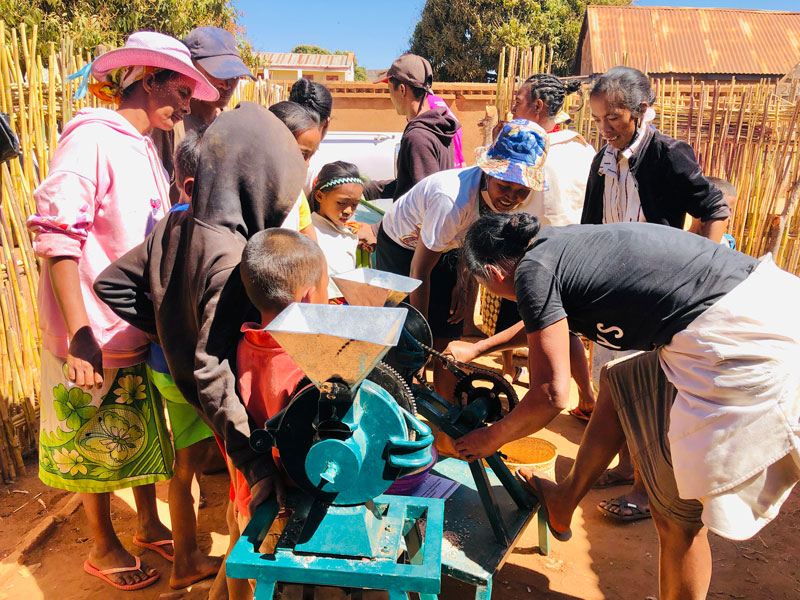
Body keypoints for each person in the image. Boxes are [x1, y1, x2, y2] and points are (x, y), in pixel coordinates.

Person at [455, 212, 800, 599]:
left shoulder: (532, 273)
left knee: (676, 515)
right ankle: (564, 502)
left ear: (492, 274)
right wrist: (480, 347)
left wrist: (492, 437)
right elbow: (548, 320)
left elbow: (551, 395)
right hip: (771, 304)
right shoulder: (552, 247)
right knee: (621, 381)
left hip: (742, 344)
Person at [28, 31, 218, 591]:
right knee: (91, 443)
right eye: (181, 88)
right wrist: (80, 334)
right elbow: (59, 236)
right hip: (92, 330)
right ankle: (102, 543)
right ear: (145, 79)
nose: (188, 103)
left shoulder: (145, 147)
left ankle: (148, 526)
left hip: (133, 324)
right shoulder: (90, 140)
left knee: (134, 432)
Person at [93, 102, 307, 554]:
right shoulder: (233, 256)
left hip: (187, 384)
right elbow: (211, 370)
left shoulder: (178, 223)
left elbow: (112, 283)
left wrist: (170, 331)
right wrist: (254, 462)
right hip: (226, 409)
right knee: (245, 511)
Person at [375, 118, 547, 383]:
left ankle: (445, 397)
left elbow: (470, 238)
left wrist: (461, 282)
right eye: (504, 186)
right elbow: (419, 270)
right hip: (403, 246)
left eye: (521, 191)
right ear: (489, 173)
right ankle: (405, 384)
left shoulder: (496, 200)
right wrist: (422, 336)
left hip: (447, 244)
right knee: (407, 326)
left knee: (450, 319)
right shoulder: (451, 200)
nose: (511, 197)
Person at [462, 74, 596, 402]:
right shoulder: (583, 148)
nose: (513, 106)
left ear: (536, 105)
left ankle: (523, 382)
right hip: (572, 254)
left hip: (524, 254)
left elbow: (503, 205)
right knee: (565, 327)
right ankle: (587, 396)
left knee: (526, 319)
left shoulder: (536, 153)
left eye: (518, 100)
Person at [225, 228, 328, 599]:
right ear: (309, 295)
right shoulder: (303, 364)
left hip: (246, 482)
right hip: (280, 500)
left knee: (238, 538)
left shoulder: (241, 342)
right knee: (269, 581)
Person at [142, 126, 224, 589]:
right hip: (188, 369)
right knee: (188, 464)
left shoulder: (163, 224)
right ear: (193, 186)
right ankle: (187, 561)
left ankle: (188, 554)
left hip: (163, 363)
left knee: (188, 459)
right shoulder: (197, 229)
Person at [151, 26, 255, 202]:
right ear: (191, 69)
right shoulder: (170, 124)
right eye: (220, 73)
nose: (228, 84)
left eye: (234, 75)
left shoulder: (229, 124)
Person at [371, 53, 461, 200]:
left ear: (401, 89)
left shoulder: (418, 137)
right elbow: (411, 185)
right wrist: (369, 189)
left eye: (389, 90)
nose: (390, 97)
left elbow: (426, 202)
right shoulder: (440, 127)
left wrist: (379, 224)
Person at [310, 161, 366, 301]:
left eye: (354, 205)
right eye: (341, 203)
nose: (348, 211)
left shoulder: (350, 233)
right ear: (320, 196)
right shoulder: (309, 232)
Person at [269, 101, 323, 242]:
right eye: (302, 154)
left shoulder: (296, 192)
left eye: (310, 156)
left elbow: (309, 238)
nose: (307, 164)